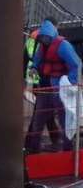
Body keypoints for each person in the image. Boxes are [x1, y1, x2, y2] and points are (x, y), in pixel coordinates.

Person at [26, 19, 81, 153]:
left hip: (61, 89)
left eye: (45, 38)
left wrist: (70, 82)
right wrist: (33, 67)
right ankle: (33, 149)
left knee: (65, 121)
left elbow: (77, 64)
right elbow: (37, 60)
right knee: (38, 120)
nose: (43, 41)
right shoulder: (43, 46)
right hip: (46, 88)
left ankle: (68, 150)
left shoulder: (63, 46)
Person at [24, 24, 61, 151]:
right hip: (45, 83)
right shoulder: (50, 42)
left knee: (42, 113)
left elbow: (27, 59)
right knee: (42, 113)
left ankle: (32, 143)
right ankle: (33, 143)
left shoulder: (34, 38)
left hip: (38, 81)